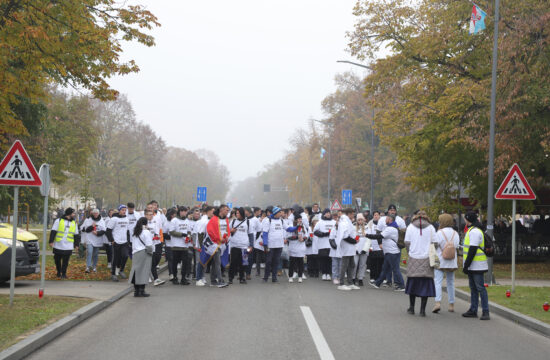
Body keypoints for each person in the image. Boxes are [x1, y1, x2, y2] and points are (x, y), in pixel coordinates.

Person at [404, 211, 437, 316]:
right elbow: (435, 243)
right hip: (426, 258)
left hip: (414, 257)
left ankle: (412, 308)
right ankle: (422, 310)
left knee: (413, 284)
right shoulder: (431, 228)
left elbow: (407, 242)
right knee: (425, 285)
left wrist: (411, 251)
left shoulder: (410, 227)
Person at [462, 211, 490, 320]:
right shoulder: (473, 230)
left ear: (468, 219)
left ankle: (485, 311)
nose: (464, 220)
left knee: (480, 288)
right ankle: (473, 309)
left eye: (465, 218)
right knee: (473, 288)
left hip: (477, 265)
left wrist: (466, 265)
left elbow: (473, 250)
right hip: (474, 265)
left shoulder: (474, 231)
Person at [366, 213, 406, 291]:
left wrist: (367, 235)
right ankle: (377, 283)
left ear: (390, 220)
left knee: (395, 269)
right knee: (385, 268)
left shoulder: (390, 229)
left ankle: (402, 286)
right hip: (390, 252)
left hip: (392, 253)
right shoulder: (393, 227)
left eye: (386, 219)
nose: (385, 220)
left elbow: (379, 236)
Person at [433, 213, 460, 313]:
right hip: (452, 261)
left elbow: (434, 247)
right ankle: (451, 304)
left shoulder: (439, 233)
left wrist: (432, 261)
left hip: (440, 260)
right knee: (450, 282)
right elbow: (456, 246)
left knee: (438, 282)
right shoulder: (455, 234)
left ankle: (438, 302)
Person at [49, 208, 81, 279]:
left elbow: (76, 235)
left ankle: (63, 273)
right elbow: (53, 231)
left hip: (68, 245)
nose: (74, 214)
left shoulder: (74, 223)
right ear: (69, 214)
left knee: (66, 261)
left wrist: (76, 245)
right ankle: (58, 271)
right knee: (57, 259)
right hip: (58, 244)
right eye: (73, 213)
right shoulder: (59, 220)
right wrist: (51, 241)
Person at [206, 205, 231, 287]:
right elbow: (210, 231)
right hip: (215, 244)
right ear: (221, 210)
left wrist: (227, 237)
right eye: (226, 210)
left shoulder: (226, 220)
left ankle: (213, 281)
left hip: (222, 244)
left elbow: (227, 230)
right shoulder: (214, 219)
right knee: (217, 263)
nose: (228, 212)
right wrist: (219, 239)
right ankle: (220, 281)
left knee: (214, 263)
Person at [129, 215, 153, 297]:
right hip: (144, 252)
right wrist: (151, 252)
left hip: (135, 253)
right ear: (146, 223)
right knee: (144, 272)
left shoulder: (135, 231)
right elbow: (149, 245)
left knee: (136, 272)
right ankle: (142, 290)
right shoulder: (146, 232)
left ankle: (136, 291)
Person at [228, 207, 254, 284]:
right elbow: (228, 232)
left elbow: (251, 235)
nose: (237, 214)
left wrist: (251, 245)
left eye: (238, 213)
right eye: (236, 213)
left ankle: (242, 277)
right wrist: (231, 231)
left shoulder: (248, 222)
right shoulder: (233, 222)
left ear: (242, 213)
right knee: (233, 263)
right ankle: (230, 278)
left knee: (244, 263)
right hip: (234, 245)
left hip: (244, 246)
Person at [336, 208, 360, 291]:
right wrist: (353, 241)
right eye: (353, 214)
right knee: (344, 265)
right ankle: (341, 283)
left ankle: (350, 283)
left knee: (352, 265)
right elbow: (345, 235)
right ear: (349, 214)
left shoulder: (348, 221)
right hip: (346, 246)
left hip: (350, 247)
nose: (353, 215)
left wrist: (355, 240)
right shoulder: (344, 222)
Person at [106, 204, 130, 281]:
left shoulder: (126, 219)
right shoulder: (114, 219)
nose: (124, 211)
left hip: (124, 242)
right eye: (122, 210)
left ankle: (121, 270)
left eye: (125, 210)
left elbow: (127, 230)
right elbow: (108, 231)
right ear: (119, 210)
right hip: (116, 242)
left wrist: (128, 240)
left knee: (125, 256)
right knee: (115, 258)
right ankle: (113, 274)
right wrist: (112, 241)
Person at [261, 206, 285, 283]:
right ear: (275, 213)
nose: (281, 214)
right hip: (270, 245)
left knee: (276, 261)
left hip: (279, 245)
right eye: (279, 212)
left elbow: (288, 228)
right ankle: (266, 277)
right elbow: (265, 233)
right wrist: (265, 244)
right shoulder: (268, 220)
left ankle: (274, 278)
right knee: (268, 261)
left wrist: (296, 227)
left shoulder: (281, 221)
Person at [169, 206, 192, 285]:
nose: (184, 213)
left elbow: (189, 231)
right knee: (175, 263)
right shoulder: (174, 220)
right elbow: (171, 232)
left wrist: (188, 237)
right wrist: (182, 234)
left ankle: (183, 278)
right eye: (182, 211)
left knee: (185, 263)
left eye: (185, 211)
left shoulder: (187, 221)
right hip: (176, 245)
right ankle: (175, 277)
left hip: (184, 246)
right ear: (179, 212)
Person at [193, 206, 214, 286]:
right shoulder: (203, 221)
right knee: (200, 261)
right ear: (208, 212)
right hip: (202, 245)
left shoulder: (208, 220)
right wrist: (199, 245)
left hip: (205, 245)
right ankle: (199, 278)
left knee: (203, 261)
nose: (213, 213)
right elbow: (199, 234)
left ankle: (202, 277)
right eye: (212, 211)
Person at [313, 209, 335, 281]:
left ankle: (328, 273)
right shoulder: (320, 222)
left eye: (329, 213)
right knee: (323, 260)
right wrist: (324, 234)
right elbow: (315, 231)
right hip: (322, 244)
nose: (328, 214)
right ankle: (323, 273)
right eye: (327, 213)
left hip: (331, 244)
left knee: (329, 259)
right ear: (324, 214)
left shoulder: (334, 222)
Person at [82, 209, 106, 273]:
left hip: (97, 240)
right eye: (94, 213)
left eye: (96, 213)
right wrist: (92, 226)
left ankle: (94, 266)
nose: (95, 214)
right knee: (89, 252)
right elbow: (86, 230)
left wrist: (97, 233)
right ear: (92, 213)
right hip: (90, 239)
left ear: (99, 213)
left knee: (95, 254)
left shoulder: (101, 220)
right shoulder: (88, 220)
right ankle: (88, 267)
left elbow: (104, 230)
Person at [286, 217, 307, 283]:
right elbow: (288, 237)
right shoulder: (291, 226)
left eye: (301, 219)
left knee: (300, 263)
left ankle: (300, 276)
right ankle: (290, 277)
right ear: (295, 220)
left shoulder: (303, 227)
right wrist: (297, 237)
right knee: (292, 263)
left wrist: (303, 239)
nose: (300, 220)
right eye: (298, 219)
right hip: (293, 248)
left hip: (301, 248)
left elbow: (306, 235)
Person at [366, 211, 383, 283]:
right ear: (373, 216)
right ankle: (372, 277)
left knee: (380, 263)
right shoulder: (370, 223)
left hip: (380, 246)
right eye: (375, 215)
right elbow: (368, 234)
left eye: (377, 215)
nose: (376, 216)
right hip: (372, 246)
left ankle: (378, 277)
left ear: (379, 216)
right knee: (373, 263)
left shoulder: (382, 223)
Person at [353, 213, 369, 286]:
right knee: (355, 264)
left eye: (361, 219)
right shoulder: (353, 227)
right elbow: (353, 238)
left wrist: (365, 249)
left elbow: (368, 239)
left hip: (364, 249)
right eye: (358, 220)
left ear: (363, 220)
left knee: (362, 264)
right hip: (355, 249)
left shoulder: (367, 227)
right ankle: (353, 277)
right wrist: (355, 249)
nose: (360, 221)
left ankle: (360, 278)